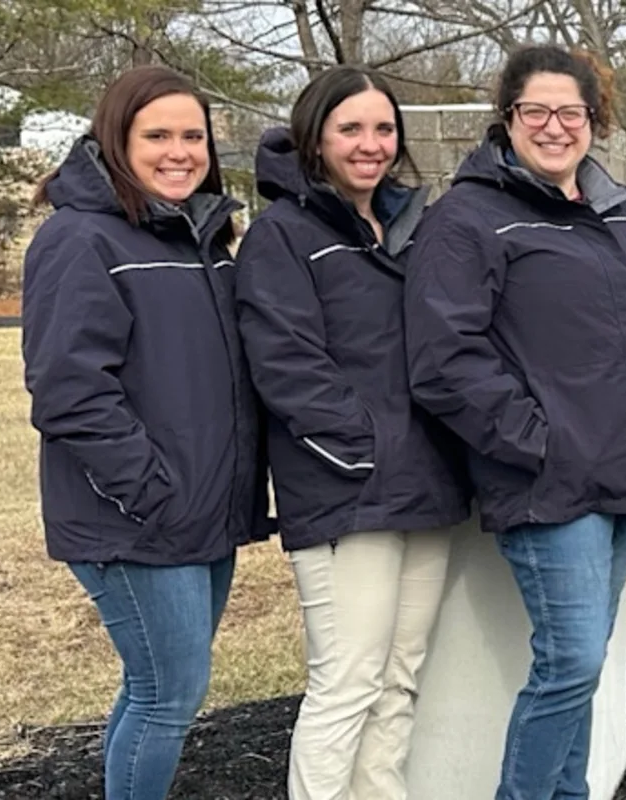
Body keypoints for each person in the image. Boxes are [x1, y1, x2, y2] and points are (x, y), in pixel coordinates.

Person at [403, 44, 626, 800]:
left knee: (583, 667)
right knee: (571, 663)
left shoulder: (624, 216)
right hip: (551, 484)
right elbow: (445, 359)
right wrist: (538, 442)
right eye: (535, 111)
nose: (554, 126)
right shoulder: (470, 219)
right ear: (508, 119)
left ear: (594, 121)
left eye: (570, 112)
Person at [20, 65, 264, 800]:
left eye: (193, 136)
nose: (179, 151)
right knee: (170, 694)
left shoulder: (198, 241)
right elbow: (68, 390)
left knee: (159, 687)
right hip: (137, 519)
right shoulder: (81, 240)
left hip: (203, 515)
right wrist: (150, 492)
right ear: (115, 141)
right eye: (156, 135)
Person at [235, 66, 475, 800]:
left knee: (399, 681)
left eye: (382, 128)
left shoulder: (411, 228)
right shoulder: (284, 236)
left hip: (426, 489)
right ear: (314, 137)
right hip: (345, 492)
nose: (370, 144)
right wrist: (361, 451)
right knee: (347, 683)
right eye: (350, 129)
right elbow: (287, 367)